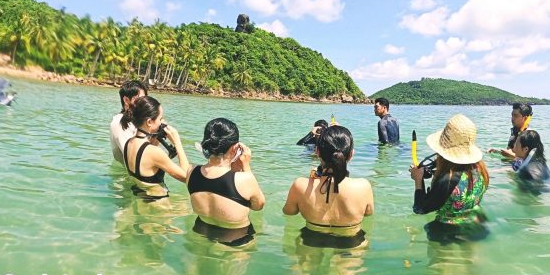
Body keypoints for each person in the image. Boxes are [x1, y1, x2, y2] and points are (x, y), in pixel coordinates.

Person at [283, 125, 374, 249]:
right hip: (352, 240)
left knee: (305, 267)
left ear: (317, 151)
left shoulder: (300, 185)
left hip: (311, 238)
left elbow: (289, 212)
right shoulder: (363, 186)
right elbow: (368, 213)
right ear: (351, 155)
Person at [410, 114, 489, 242]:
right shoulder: (481, 170)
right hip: (476, 224)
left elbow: (420, 208)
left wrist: (418, 180)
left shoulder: (446, 180)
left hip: (448, 232)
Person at [187, 118, 266, 247]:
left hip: (202, 230)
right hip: (236, 238)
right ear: (236, 148)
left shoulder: (191, 172)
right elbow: (258, 206)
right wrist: (246, 167)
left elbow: (215, 185)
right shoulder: (244, 179)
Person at [121, 95, 190, 199]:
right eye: (160, 118)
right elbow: (186, 177)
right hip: (158, 203)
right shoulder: (154, 152)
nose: (161, 122)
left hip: (141, 196)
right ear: (149, 122)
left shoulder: (128, 143)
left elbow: (147, 164)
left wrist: (156, 135)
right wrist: (177, 142)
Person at [110, 80, 147, 163]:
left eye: (145, 99)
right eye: (140, 99)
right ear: (126, 100)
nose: (145, 103)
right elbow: (133, 159)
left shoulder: (138, 120)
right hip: (125, 175)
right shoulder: (119, 122)